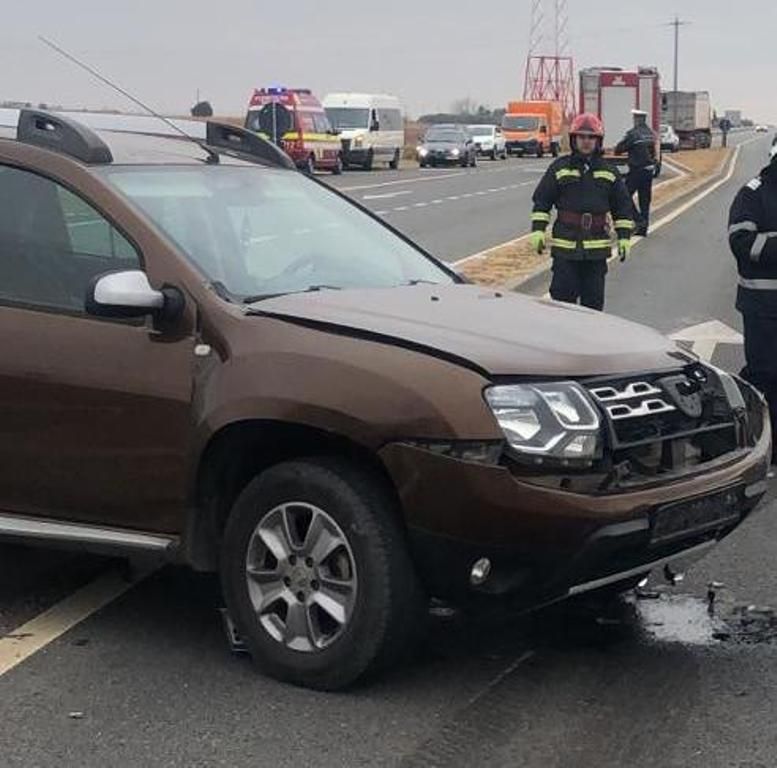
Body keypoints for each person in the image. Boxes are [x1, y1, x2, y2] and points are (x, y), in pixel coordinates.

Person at [530, 113, 633, 311]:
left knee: (593, 306)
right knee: (562, 304)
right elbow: (542, 201)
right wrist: (537, 230)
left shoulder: (609, 172)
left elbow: (622, 208)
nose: (586, 142)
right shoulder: (559, 168)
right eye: (581, 137)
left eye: (591, 137)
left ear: (598, 141)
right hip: (565, 250)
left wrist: (624, 238)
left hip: (596, 252)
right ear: (574, 139)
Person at [728, 144, 777, 462]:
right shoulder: (754, 193)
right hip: (763, 308)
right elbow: (740, 241)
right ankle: (757, 443)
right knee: (765, 375)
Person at [616, 109, 657, 236]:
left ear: (637, 120)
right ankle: (643, 228)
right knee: (645, 200)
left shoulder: (633, 134)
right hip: (649, 171)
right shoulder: (650, 134)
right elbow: (654, 152)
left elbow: (619, 149)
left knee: (624, 196)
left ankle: (638, 220)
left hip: (637, 171)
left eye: (634, 118)